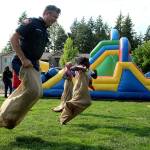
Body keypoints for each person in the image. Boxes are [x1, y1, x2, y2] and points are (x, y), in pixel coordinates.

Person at [0, 5, 61, 129]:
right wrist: (23, 58)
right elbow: (13, 38)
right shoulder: (32, 22)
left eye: (57, 17)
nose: (55, 19)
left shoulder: (44, 30)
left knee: (38, 92)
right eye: (54, 16)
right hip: (22, 62)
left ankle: (9, 118)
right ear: (46, 13)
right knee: (33, 90)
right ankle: (4, 116)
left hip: (34, 65)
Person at [59, 57, 93, 125]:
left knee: (84, 103)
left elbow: (90, 79)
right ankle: (67, 106)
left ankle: (64, 118)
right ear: (84, 63)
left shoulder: (88, 70)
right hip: (79, 89)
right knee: (86, 102)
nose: (89, 63)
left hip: (82, 89)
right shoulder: (81, 68)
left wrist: (91, 84)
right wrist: (81, 68)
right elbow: (74, 68)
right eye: (88, 62)